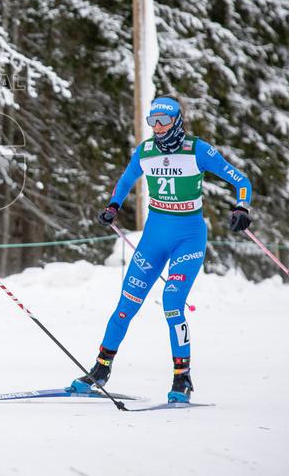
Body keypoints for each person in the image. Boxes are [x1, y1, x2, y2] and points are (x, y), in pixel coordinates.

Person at [68, 96, 252, 403]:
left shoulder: (197, 150)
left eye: (163, 121)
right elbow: (125, 181)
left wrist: (242, 206)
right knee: (126, 305)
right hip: (153, 239)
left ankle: (182, 377)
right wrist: (113, 206)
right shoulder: (146, 151)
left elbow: (241, 180)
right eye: (152, 121)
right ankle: (100, 369)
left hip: (188, 239)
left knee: (172, 302)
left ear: (176, 122)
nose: (157, 127)